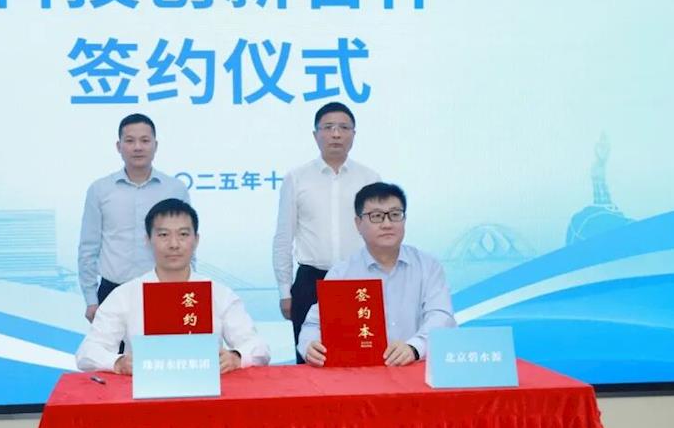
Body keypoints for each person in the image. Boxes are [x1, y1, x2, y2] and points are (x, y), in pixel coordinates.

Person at [76, 199, 270, 374]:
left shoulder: (219, 293)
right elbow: (86, 353)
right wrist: (118, 363)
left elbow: (259, 347)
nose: (174, 244)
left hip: (208, 394)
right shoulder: (125, 295)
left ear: (196, 240)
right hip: (141, 395)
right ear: (148, 240)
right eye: (163, 235)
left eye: (183, 234)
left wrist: (236, 357)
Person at [298, 182, 456, 367]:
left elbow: (441, 317)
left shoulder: (428, 266)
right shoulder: (342, 273)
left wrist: (414, 348)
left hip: (416, 369)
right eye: (376, 216)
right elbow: (313, 325)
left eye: (395, 215)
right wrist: (310, 346)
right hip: (361, 373)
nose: (387, 224)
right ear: (358, 224)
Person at [273, 102, 381, 362]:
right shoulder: (297, 178)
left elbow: (379, 236)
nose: (336, 134)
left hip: (358, 279)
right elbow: (284, 238)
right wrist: (285, 291)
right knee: (310, 362)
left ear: (353, 134)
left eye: (343, 128)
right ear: (315, 134)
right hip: (311, 281)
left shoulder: (370, 179)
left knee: (362, 360)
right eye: (328, 127)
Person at [78, 113, 189, 325]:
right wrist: (91, 299)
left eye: (145, 140)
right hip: (113, 291)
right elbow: (88, 248)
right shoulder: (100, 190)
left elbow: (186, 245)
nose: (138, 147)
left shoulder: (175, 189)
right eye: (130, 141)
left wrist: (188, 289)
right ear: (118, 146)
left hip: (164, 290)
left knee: (165, 347)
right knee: (114, 348)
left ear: (155, 145)